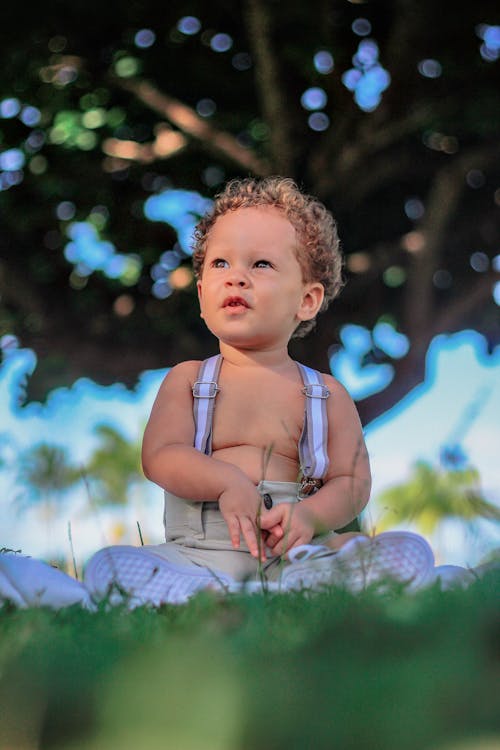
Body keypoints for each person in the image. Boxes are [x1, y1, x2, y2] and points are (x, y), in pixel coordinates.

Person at [2, 176, 465, 611]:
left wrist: (309, 517)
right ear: (202, 293)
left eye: (261, 264)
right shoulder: (189, 380)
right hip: (198, 558)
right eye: (220, 263)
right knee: (110, 565)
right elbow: (161, 455)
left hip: (296, 560)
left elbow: (352, 482)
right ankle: (208, 598)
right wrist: (226, 482)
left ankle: (286, 596)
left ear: (307, 299)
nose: (235, 276)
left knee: (409, 549)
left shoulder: (324, 394)